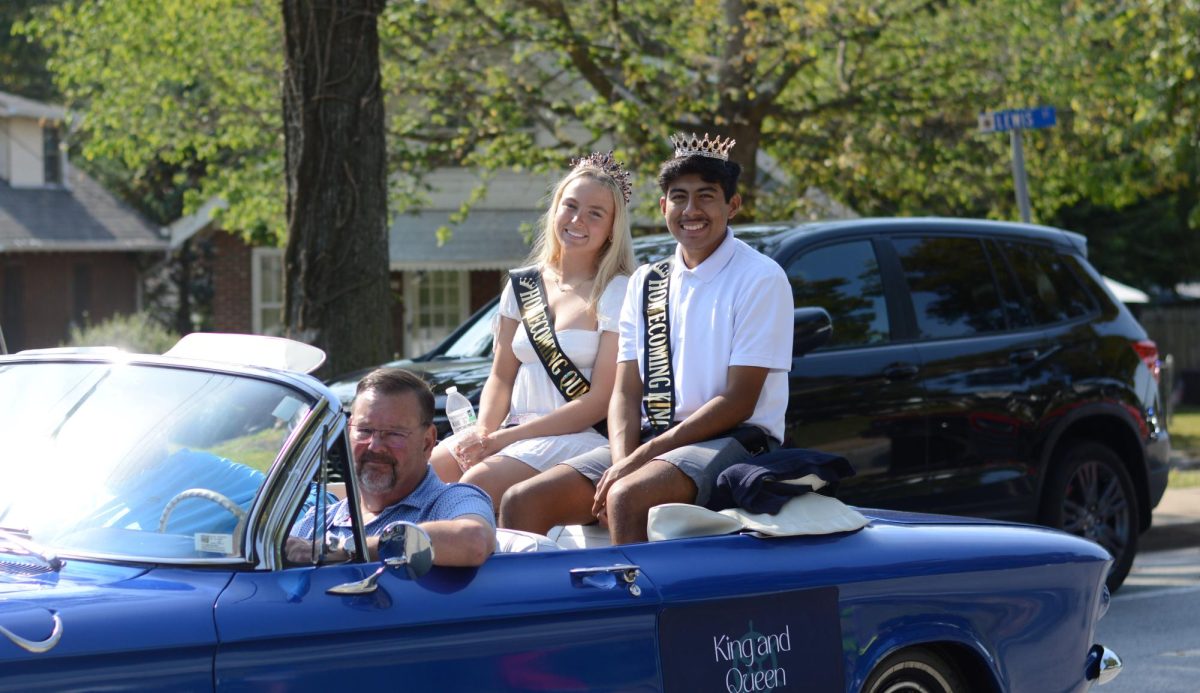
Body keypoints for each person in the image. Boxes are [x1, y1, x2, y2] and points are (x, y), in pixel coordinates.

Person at [501, 132, 794, 544]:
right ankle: (543, 609)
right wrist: (623, 459)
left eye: (706, 196)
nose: (691, 210)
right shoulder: (646, 281)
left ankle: (634, 609)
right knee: (522, 500)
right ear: (663, 207)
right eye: (679, 197)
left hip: (733, 440)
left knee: (625, 497)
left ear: (732, 205)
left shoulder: (760, 277)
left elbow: (739, 401)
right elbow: (626, 390)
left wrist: (637, 461)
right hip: (651, 441)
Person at [429, 152, 637, 514]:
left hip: (574, 437)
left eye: (595, 213)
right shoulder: (522, 285)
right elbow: (500, 376)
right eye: (570, 206)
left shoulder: (617, 290)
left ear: (612, 229)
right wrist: (482, 433)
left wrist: (499, 441)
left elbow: (599, 400)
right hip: (508, 430)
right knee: (424, 471)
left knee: (477, 484)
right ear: (555, 209)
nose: (577, 219)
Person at [288, 367, 495, 567]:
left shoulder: (451, 501)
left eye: (395, 433)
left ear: (427, 442)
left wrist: (345, 550)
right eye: (365, 430)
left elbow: (474, 541)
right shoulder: (318, 522)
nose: (375, 446)